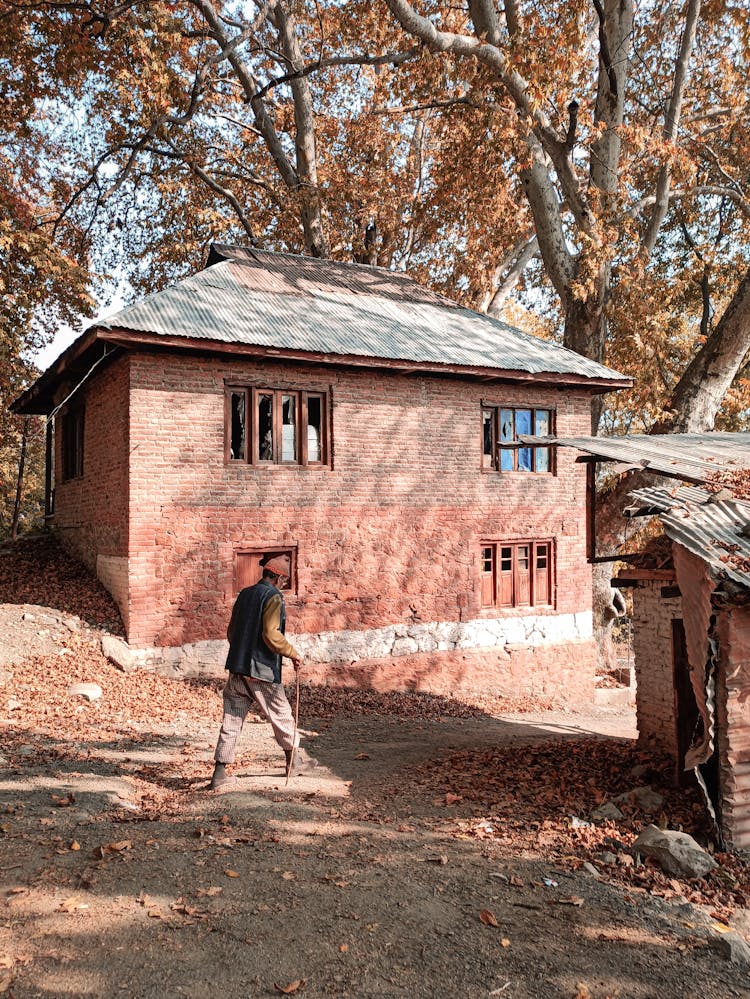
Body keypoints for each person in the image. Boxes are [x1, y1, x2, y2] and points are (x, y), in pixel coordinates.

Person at [209, 553, 315, 790]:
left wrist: (242, 653)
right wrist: (293, 653)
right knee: (281, 714)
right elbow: (271, 634)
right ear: (276, 577)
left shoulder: (245, 594)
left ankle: (219, 773)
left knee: (232, 719)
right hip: (262, 671)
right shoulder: (274, 597)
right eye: (284, 581)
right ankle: (293, 762)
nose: (284, 585)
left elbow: (231, 631)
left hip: (237, 668)